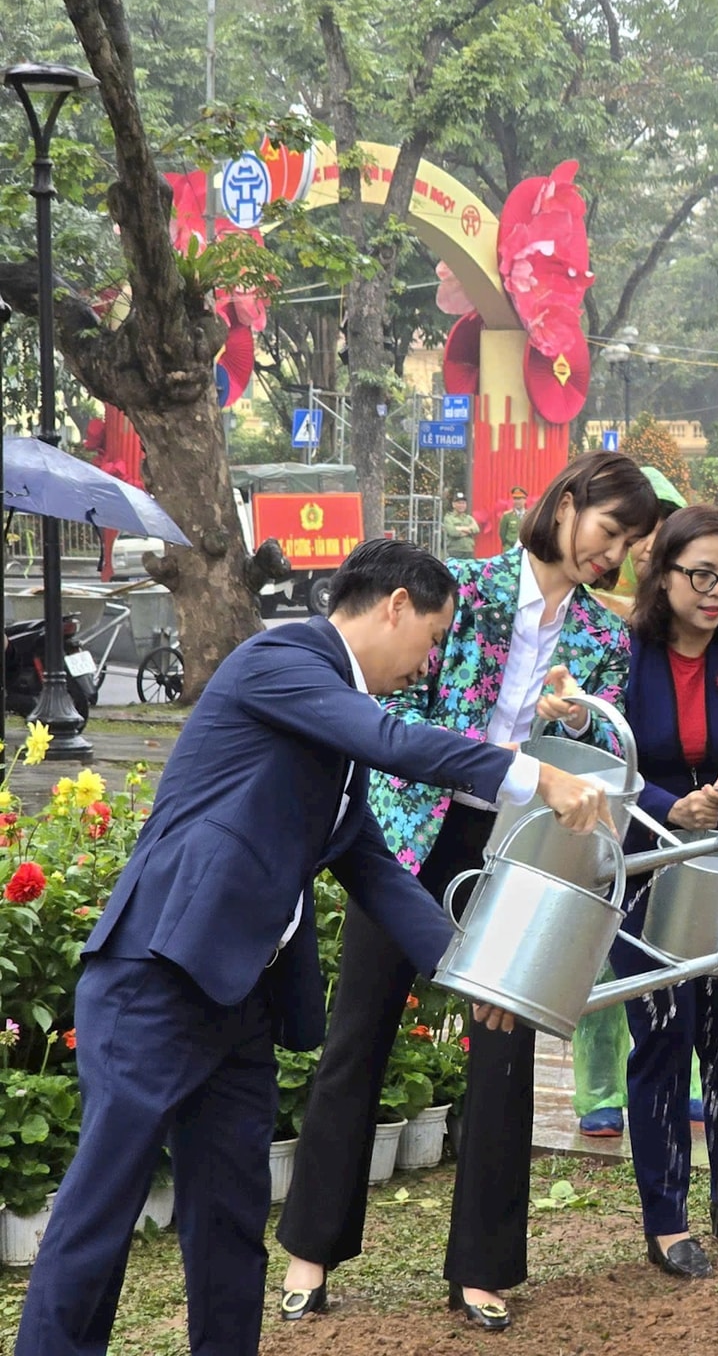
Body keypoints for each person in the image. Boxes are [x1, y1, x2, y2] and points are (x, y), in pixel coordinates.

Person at [14, 539, 611, 1356]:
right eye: (432, 638)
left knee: (231, 1221)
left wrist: (477, 976)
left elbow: (374, 869)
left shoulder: (330, 716)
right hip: (156, 977)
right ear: (395, 606)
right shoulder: (283, 660)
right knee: (100, 1214)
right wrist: (536, 775)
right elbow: (394, 741)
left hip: (238, 1001)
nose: (429, 662)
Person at [276, 453, 657, 1331]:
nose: (611, 555)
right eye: (608, 532)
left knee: (504, 1048)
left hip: (521, 849)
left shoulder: (604, 638)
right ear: (567, 505)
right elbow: (393, 713)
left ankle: (482, 1269)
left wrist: (578, 719)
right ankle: (310, 1253)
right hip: (414, 836)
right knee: (359, 1032)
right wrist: (505, 755)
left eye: (628, 546)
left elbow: (601, 763)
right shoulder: (463, 591)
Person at [599, 504, 718, 1278]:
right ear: (662, 572)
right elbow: (604, 758)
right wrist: (662, 805)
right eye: (701, 575)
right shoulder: (625, 649)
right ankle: (667, 1220)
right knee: (662, 1033)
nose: (716, 593)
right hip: (643, 862)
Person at [572, 463, 690, 1136]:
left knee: (679, 943)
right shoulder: (597, 620)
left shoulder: (692, 617)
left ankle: (683, 1075)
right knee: (599, 945)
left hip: (671, 808)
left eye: (658, 532)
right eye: (635, 533)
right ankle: (597, 1089)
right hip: (602, 797)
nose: (644, 547)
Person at [442, 491, 481, 559]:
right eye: (459, 503)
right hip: (455, 551)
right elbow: (452, 532)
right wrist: (469, 529)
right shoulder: (448, 518)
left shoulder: (469, 518)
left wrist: (459, 528)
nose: (461, 505)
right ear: (453, 504)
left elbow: (476, 529)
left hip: (469, 550)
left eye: (463, 503)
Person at [497, 485, 529, 549]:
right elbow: (502, 533)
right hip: (510, 547)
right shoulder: (507, 516)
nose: (517, 501)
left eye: (519, 499)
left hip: (524, 548)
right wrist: (507, 544)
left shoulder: (529, 515)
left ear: (525, 500)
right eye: (515, 499)